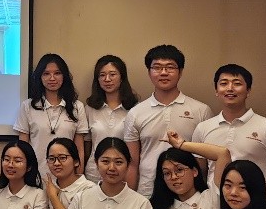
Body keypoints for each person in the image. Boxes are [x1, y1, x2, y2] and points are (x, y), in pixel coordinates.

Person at [191, 63, 266, 206]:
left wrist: (265, 206)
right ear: (216, 90)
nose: (230, 88)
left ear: (248, 90)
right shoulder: (203, 128)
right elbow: (200, 172)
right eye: (224, 83)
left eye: (237, 83)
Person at [123, 45, 213, 197]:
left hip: (189, 194)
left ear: (180, 72)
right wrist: (129, 198)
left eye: (170, 67)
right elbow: (132, 163)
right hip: (148, 192)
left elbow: (206, 162)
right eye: (157, 67)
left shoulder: (201, 111)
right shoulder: (136, 113)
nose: (163, 72)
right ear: (149, 72)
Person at [15, 53, 89, 167]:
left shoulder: (77, 107)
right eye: (46, 74)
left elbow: (79, 149)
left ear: (64, 76)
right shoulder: (27, 106)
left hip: (67, 173)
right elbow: (22, 148)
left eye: (57, 73)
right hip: (36, 172)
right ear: (40, 77)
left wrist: (78, 175)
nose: (52, 78)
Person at [84, 54, 139, 182]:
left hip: (123, 174)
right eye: (102, 75)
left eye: (112, 74)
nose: (107, 79)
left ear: (122, 77)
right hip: (94, 174)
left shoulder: (135, 109)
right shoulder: (90, 108)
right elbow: (87, 145)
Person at [41, 137, 95, 209]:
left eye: (62, 158)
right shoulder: (50, 186)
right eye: (51, 159)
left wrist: (53, 197)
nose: (56, 163)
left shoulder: (88, 189)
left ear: (76, 162)